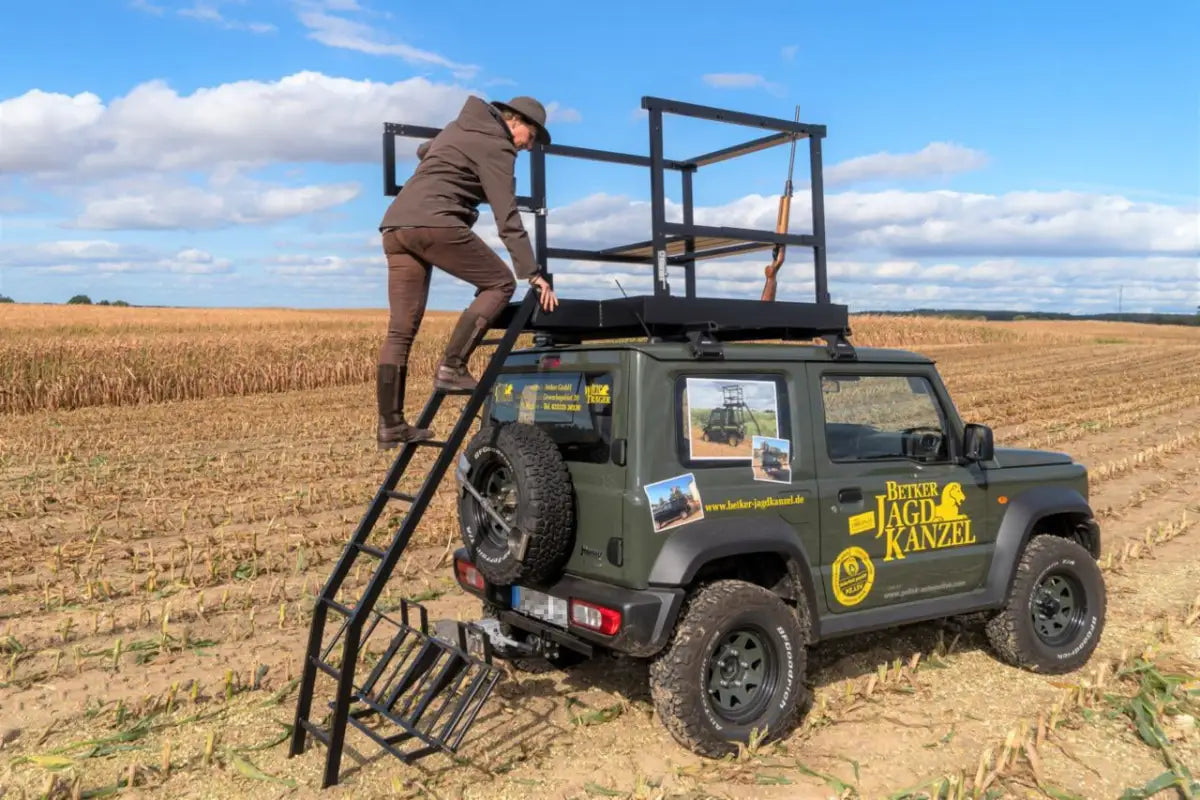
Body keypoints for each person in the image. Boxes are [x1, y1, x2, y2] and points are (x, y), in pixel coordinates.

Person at [374, 95, 560, 449]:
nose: (528, 147)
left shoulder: (457, 128)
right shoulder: (498, 147)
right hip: (435, 224)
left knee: (400, 332)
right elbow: (508, 218)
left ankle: (391, 424)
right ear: (515, 122)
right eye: (531, 138)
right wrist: (533, 273)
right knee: (500, 282)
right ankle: (452, 367)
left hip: (396, 227)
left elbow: (424, 151)